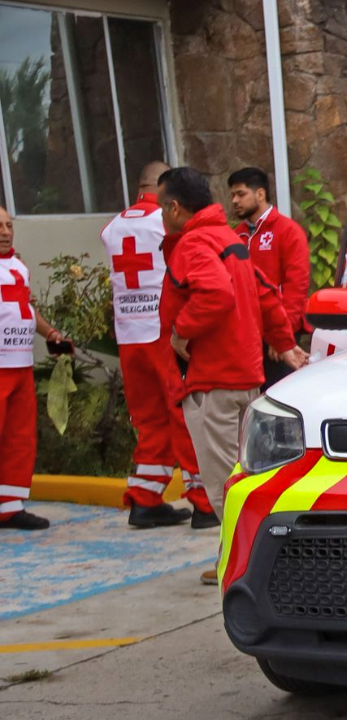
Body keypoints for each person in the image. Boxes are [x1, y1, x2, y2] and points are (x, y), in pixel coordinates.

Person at [156, 168, 308, 584]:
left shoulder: (195, 243)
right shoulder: (229, 239)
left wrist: (180, 332)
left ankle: (253, 569)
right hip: (245, 378)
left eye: (161, 207)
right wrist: (285, 343)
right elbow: (265, 295)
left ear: (174, 207)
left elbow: (216, 294)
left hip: (212, 382)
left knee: (226, 484)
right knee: (246, 476)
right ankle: (233, 556)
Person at [101, 162, 218, 529]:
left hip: (128, 337)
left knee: (150, 421)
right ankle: (203, 502)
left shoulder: (112, 227)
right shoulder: (167, 220)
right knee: (185, 417)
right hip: (161, 334)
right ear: (161, 189)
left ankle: (145, 498)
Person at [0, 205, 66, 530]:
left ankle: (9, 507)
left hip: (20, 362)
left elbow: (25, 306)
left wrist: (51, 333)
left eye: (9, 224)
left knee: (19, 436)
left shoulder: (17, 266)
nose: (5, 231)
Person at [228, 167, 310, 389]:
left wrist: (284, 335)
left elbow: (296, 286)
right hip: (246, 335)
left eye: (241, 194)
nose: (235, 200)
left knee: (279, 396)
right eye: (232, 195)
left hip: (277, 333)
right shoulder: (236, 235)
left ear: (260, 194)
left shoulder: (287, 231)